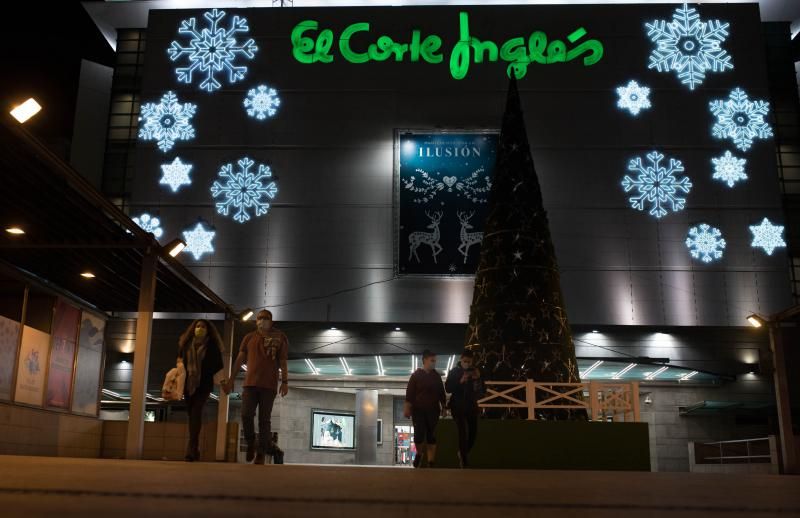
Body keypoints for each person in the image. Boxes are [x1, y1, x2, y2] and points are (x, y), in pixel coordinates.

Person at [224, 309, 289, 464]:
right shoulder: (249, 337)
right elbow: (240, 359)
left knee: (264, 420)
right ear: (256, 321)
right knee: (246, 414)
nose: (262, 321)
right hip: (250, 384)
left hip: (269, 385)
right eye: (259, 318)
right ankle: (251, 442)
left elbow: (283, 361)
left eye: (265, 318)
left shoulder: (280, 337)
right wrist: (231, 378)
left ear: (271, 321)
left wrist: (285, 381)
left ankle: (261, 453)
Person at [178, 319, 224, 462]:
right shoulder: (185, 344)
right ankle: (195, 449)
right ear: (193, 328)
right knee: (191, 415)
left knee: (196, 412)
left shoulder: (213, 347)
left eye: (203, 327)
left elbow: (218, 368)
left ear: (208, 330)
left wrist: (224, 384)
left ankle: (191, 449)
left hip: (203, 385)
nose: (200, 328)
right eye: (197, 326)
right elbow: (179, 362)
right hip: (188, 384)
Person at [404, 349, 446, 468]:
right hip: (418, 411)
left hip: (433, 410)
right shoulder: (415, 376)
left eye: (435, 361)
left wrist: (444, 407)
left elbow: (441, 393)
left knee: (431, 435)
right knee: (418, 435)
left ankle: (431, 461)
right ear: (425, 360)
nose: (434, 363)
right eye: (432, 360)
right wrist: (407, 408)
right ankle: (419, 454)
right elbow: (410, 394)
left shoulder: (436, 376)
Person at [445, 349, 484, 468]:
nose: (467, 363)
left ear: (472, 361)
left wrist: (477, 379)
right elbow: (448, 388)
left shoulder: (475, 372)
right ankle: (464, 461)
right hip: (457, 406)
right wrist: (460, 381)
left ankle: (462, 453)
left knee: (473, 433)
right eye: (465, 361)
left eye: (469, 361)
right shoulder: (454, 372)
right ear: (461, 359)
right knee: (463, 432)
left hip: (472, 406)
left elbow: (481, 392)